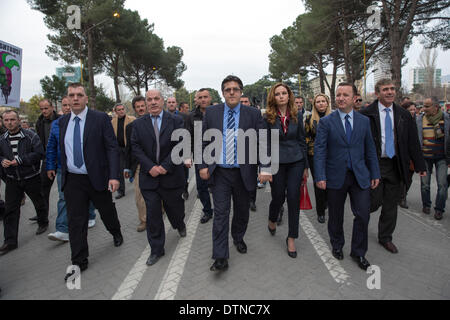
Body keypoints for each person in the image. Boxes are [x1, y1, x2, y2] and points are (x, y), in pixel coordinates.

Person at [199, 75, 272, 272]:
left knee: (241, 212)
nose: (231, 92)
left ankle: (238, 237)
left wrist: (265, 168)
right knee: (221, 214)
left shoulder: (253, 114)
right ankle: (220, 256)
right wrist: (202, 165)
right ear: (223, 93)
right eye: (228, 89)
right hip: (220, 173)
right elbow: (202, 141)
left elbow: (263, 141)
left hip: (243, 173)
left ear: (241, 92)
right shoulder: (212, 113)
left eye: (235, 89)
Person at [60, 83, 123, 281]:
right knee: (76, 221)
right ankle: (79, 261)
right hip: (73, 180)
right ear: (68, 99)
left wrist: (114, 176)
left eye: (80, 95)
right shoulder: (62, 122)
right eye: (72, 95)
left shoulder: (100, 119)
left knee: (106, 212)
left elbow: (112, 148)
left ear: (86, 98)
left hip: (97, 177)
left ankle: (116, 232)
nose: (76, 98)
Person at [314, 82, 380, 270]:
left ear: (354, 98)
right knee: (335, 215)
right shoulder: (327, 122)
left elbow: (370, 150)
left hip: (360, 176)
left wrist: (374, 172)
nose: (341, 98)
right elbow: (319, 151)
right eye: (338, 94)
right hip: (335, 176)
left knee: (363, 215)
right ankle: (337, 244)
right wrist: (320, 176)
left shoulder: (364, 121)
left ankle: (358, 252)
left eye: (345, 95)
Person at [360, 79, 426, 254]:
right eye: (385, 89)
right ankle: (360, 224)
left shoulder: (404, 115)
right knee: (373, 201)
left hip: (396, 164)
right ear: (377, 93)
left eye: (392, 89)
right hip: (375, 164)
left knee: (391, 204)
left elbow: (412, 141)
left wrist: (420, 164)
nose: (390, 92)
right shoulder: (367, 114)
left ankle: (386, 237)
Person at [131, 89, 187, 266]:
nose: (153, 102)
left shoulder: (177, 120)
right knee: (153, 215)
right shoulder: (138, 124)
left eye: (156, 98)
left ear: (163, 101)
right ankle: (156, 249)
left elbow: (181, 145)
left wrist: (164, 166)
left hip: (171, 176)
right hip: (149, 178)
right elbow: (135, 147)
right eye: (150, 99)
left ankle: (179, 224)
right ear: (146, 103)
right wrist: (151, 167)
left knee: (175, 209)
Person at [264, 83, 308, 258]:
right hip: (276, 163)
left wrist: (305, 166)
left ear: (289, 96)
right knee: (278, 197)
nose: (281, 96)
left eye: (284, 93)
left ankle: (291, 237)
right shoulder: (267, 117)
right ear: (273, 97)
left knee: (293, 197)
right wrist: (265, 167)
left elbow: (302, 141)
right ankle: (272, 218)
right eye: (277, 94)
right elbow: (264, 143)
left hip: (296, 161)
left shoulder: (297, 115)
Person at [46, 96, 97, 242]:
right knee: (63, 197)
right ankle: (62, 229)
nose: (67, 107)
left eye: (69, 105)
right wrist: (50, 166)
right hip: (65, 169)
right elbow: (51, 147)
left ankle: (91, 214)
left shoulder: (88, 121)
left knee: (90, 193)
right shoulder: (57, 124)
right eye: (64, 105)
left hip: (87, 167)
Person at [0, 110, 48, 256]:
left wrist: (21, 160)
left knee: (39, 201)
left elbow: (39, 153)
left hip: (30, 176)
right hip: (12, 179)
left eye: (12, 119)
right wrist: (2, 161)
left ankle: (43, 222)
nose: (9, 122)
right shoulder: (2, 139)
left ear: (19, 120)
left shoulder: (30, 136)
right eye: (6, 120)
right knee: (10, 210)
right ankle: (10, 241)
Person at [416, 98, 449, 220]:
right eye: (424, 106)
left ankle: (439, 209)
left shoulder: (446, 119)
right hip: (425, 157)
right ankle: (426, 205)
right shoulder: (419, 120)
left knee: (442, 184)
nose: (424, 108)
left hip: (442, 158)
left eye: (427, 106)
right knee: (425, 184)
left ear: (436, 107)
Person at [185, 88, 214, 224]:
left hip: (216, 155)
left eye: (205, 97)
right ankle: (207, 210)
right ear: (196, 99)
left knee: (218, 185)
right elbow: (188, 138)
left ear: (210, 98)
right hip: (200, 156)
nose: (203, 99)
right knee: (201, 187)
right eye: (200, 97)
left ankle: (221, 209)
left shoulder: (218, 113)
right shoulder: (191, 116)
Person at [304, 93, 332, 223]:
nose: (321, 104)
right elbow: (306, 138)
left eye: (323, 101)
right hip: (315, 156)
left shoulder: (334, 117)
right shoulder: (309, 119)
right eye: (318, 102)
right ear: (314, 104)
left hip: (332, 156)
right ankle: (320, 212)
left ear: (327, 103)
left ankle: (327, 202)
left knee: (330, 182)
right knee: (319, 183)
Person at [32, 99, 59, 222]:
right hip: (48, 159)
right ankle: (42, 216)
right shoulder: (39, 122)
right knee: (43, 188)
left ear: (52, 107)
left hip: (62, 158)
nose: (44, 111)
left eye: (46, 108)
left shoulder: (60, 119)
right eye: (41, 109)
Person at [124, 95, 148, 232]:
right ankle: (144, 220)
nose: (140, 109)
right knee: (139, 195)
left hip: (156, 164)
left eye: (142, 106)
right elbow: (128, 149)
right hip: (139, 166)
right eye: (137, 107)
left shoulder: (155, 122)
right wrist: (127, 167)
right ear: (134, 109)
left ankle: (160, 210)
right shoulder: (130, 127)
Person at [111, 103, 135, 199]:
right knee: (119, 170)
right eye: (119, 110)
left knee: (132, 166)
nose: (121, 111)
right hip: (119, 149)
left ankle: (132, 176)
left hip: (129, 148)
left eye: (122, 109)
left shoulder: (132, 119)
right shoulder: (113, 122)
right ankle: (121, 191)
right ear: (116, 112)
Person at [398, 101, 418, 208]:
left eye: (414, 109)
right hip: (402, 154)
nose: (413, 112)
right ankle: (401, 197)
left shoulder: (417, 121)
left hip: (413, 155)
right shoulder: (400, 120)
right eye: (410, 110)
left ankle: (403, 194)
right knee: (402, 177)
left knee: (409, 178)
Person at [239, 95, 258, 212]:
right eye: (241, 101)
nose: (243, 103)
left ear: (249, 103)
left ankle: (252, 200)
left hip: (251, 151)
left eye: (246, 101)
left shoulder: (255, 114)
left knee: (252, 177)